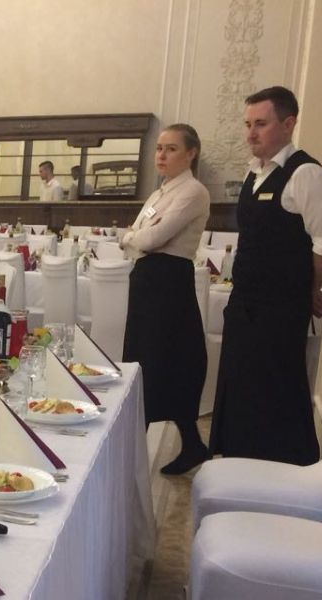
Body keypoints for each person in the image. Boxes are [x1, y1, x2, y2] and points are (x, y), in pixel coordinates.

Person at [209, 86, 322, 465]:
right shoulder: (254, 173)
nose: (250, 134)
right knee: (242, 389)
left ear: (288, 124)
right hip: (244, 305)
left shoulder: (306, 174)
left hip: (278, 313)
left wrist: (306, 290)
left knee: (274, 393)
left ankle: (279, 472)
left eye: (261, 124)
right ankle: (240, 464)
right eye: (247, 124)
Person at [120, 124, 212, 474]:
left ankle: (138, 452)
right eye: (159, 148)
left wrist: (134, 238)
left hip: (169, 284)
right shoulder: (160, 193)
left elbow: (148, 238)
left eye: (171, 149)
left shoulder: (193, 192)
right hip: (147, 281)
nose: (161, 155)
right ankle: (186, 444)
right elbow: (136, 237)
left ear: (191, 153)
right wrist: (136, 238)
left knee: (166, 360)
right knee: (143, 359)